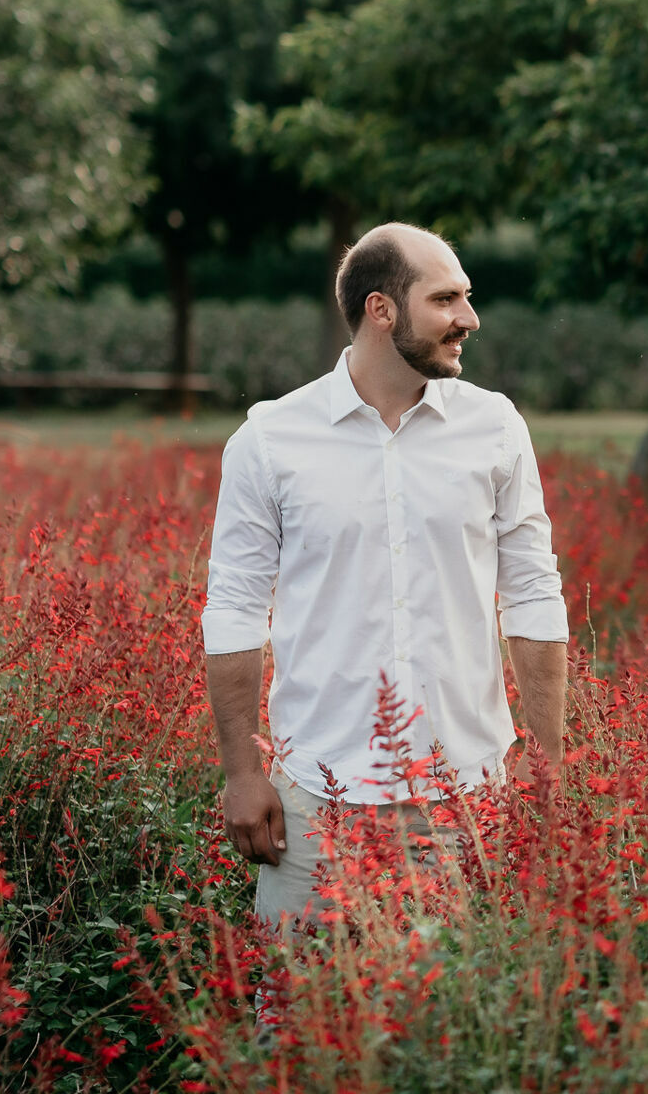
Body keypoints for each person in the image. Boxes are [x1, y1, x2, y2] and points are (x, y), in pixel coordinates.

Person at [202, 221, 570, 934]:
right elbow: (234, 612)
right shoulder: (270, 441)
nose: (469, 319)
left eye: (466, 298)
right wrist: (244, 773)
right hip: (315, 800)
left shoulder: (495, 427)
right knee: (296, 1024)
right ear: (383, 309)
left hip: (467, 796)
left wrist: (547, 760)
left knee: (459, 1029)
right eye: (447, 300)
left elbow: (532, 593)